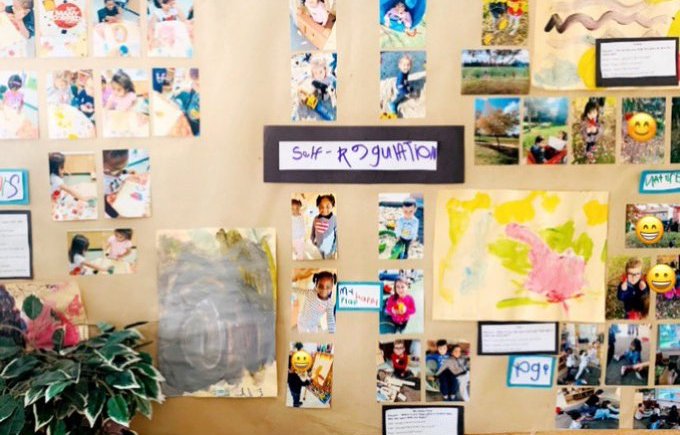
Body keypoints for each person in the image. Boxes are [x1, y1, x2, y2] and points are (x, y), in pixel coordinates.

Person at [102, 149, 131, 218]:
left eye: (124, 166)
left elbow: (122, 172)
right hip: (113, 204)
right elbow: (106, 205)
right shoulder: (103, 183)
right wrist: (117, 216)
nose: (120, 173)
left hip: (121, 194)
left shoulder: (117, 170)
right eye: (116, 171)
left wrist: (128, 172)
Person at [172, 68, 200, 136]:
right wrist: (180, 90)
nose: (193, 85)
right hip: (188, 114)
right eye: (192, 82)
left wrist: (184, 114)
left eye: (197, 84)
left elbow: (195, 115)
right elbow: (189, 87)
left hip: (195, 125)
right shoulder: (194, 86)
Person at [310, 194, 337, 259]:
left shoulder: (334, 219)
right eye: (321, 206)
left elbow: (337, 236)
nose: (324, 209)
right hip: (319, 247)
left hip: (330, 249)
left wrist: (334, 249)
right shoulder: (316, 218)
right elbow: (313, 231)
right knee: (322, 258)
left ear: (332, 206)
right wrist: (312, 240)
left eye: (327, 206)